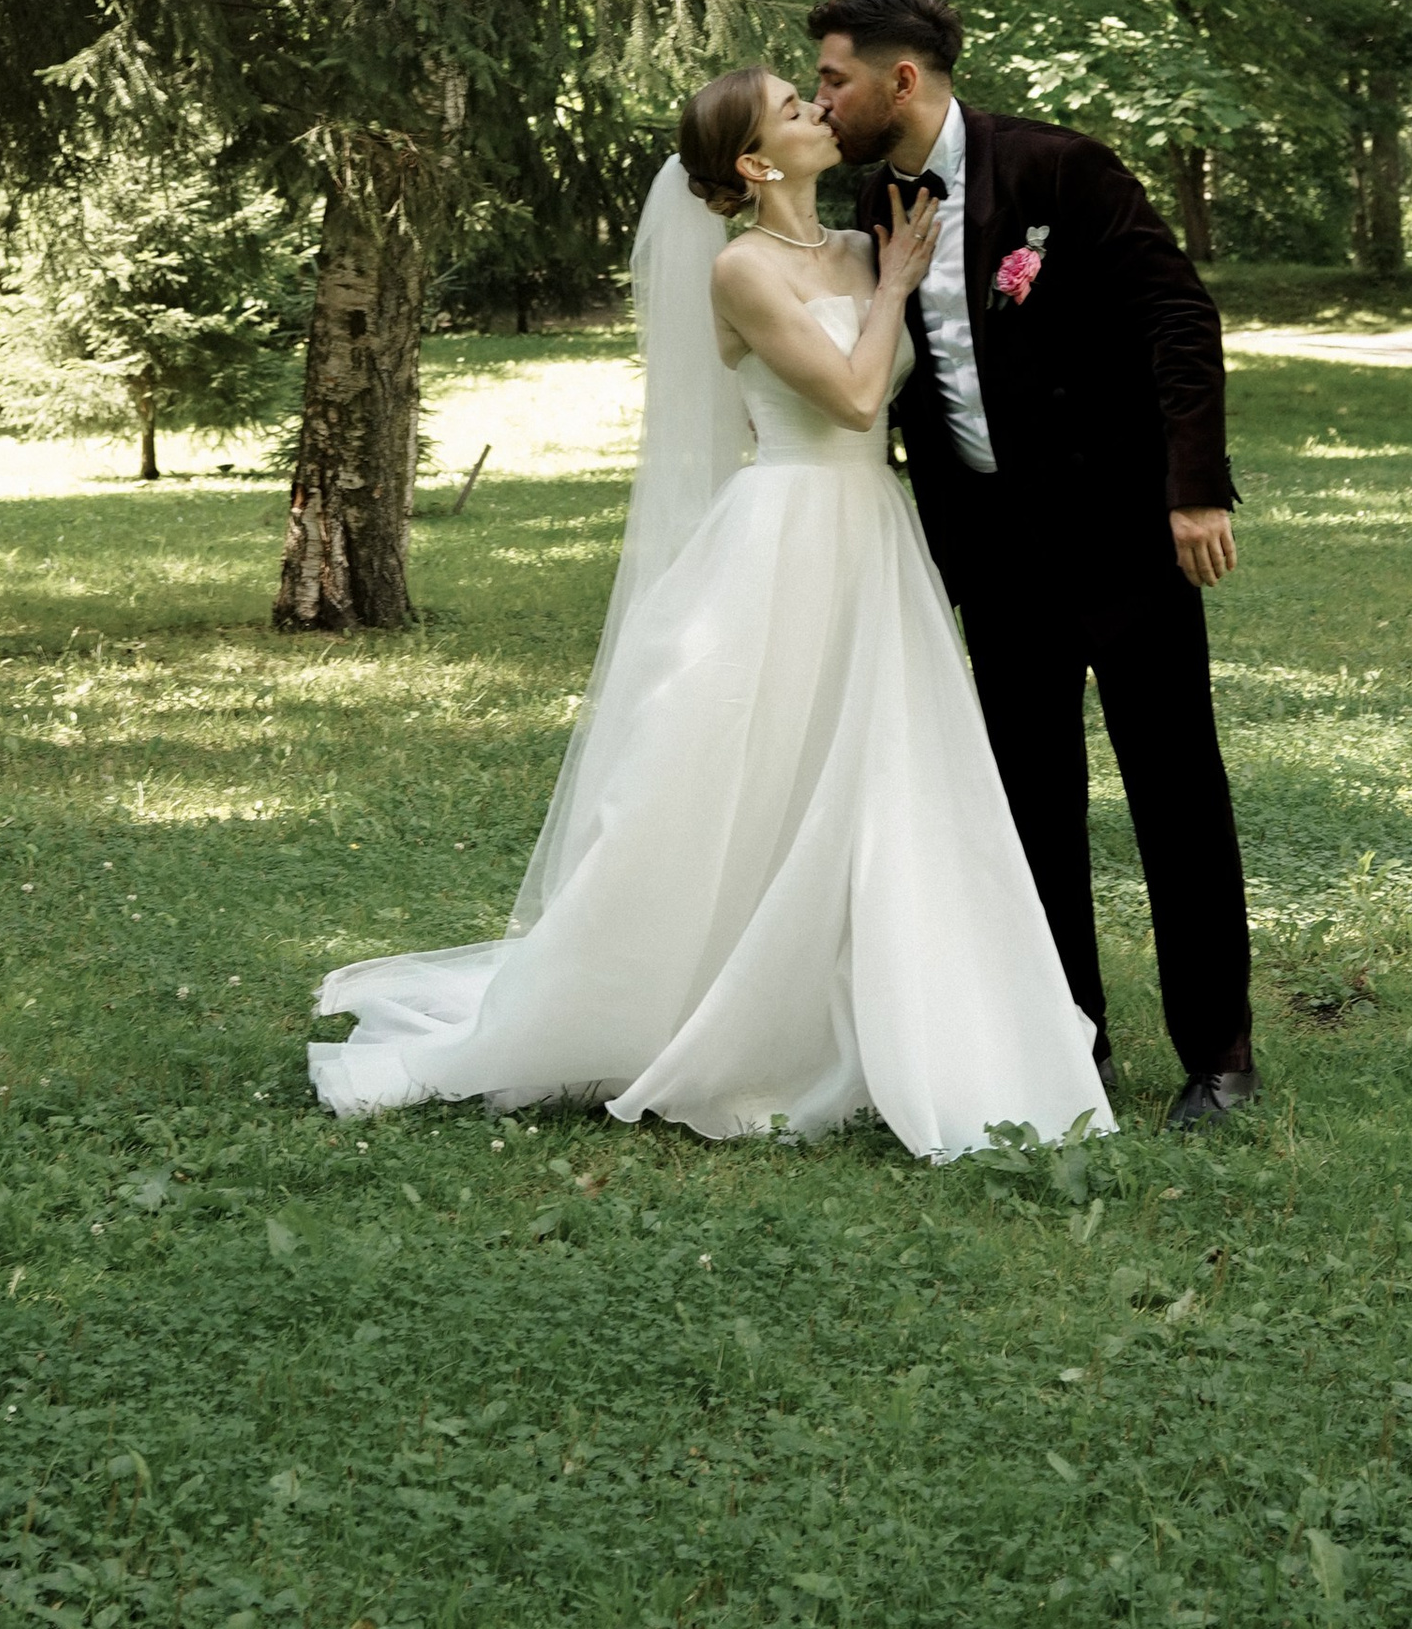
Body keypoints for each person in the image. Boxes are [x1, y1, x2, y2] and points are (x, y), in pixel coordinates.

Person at [306, 64, 1113, 1158]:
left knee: (889, 767)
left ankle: (890, 999)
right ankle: (707, 1000)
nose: (821, 112)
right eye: (794, 109)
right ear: (750, 162)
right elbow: (854, 395)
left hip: (874, 534)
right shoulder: (741, 272)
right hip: (784, 533)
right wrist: (889, 294)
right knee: (754, 771)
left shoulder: (868, 243)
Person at [809, 0, 1256, 1127]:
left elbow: (1177, 317)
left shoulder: (1060, 169)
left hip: (1124, 540)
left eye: (833, 79)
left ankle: (1218, 1057)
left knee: (1175, 791)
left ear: (900, 80)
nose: (823, 99)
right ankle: (1071, 1045)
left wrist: (1192, 489)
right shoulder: (870, 201)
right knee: (1027, 803)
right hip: (990, 554)